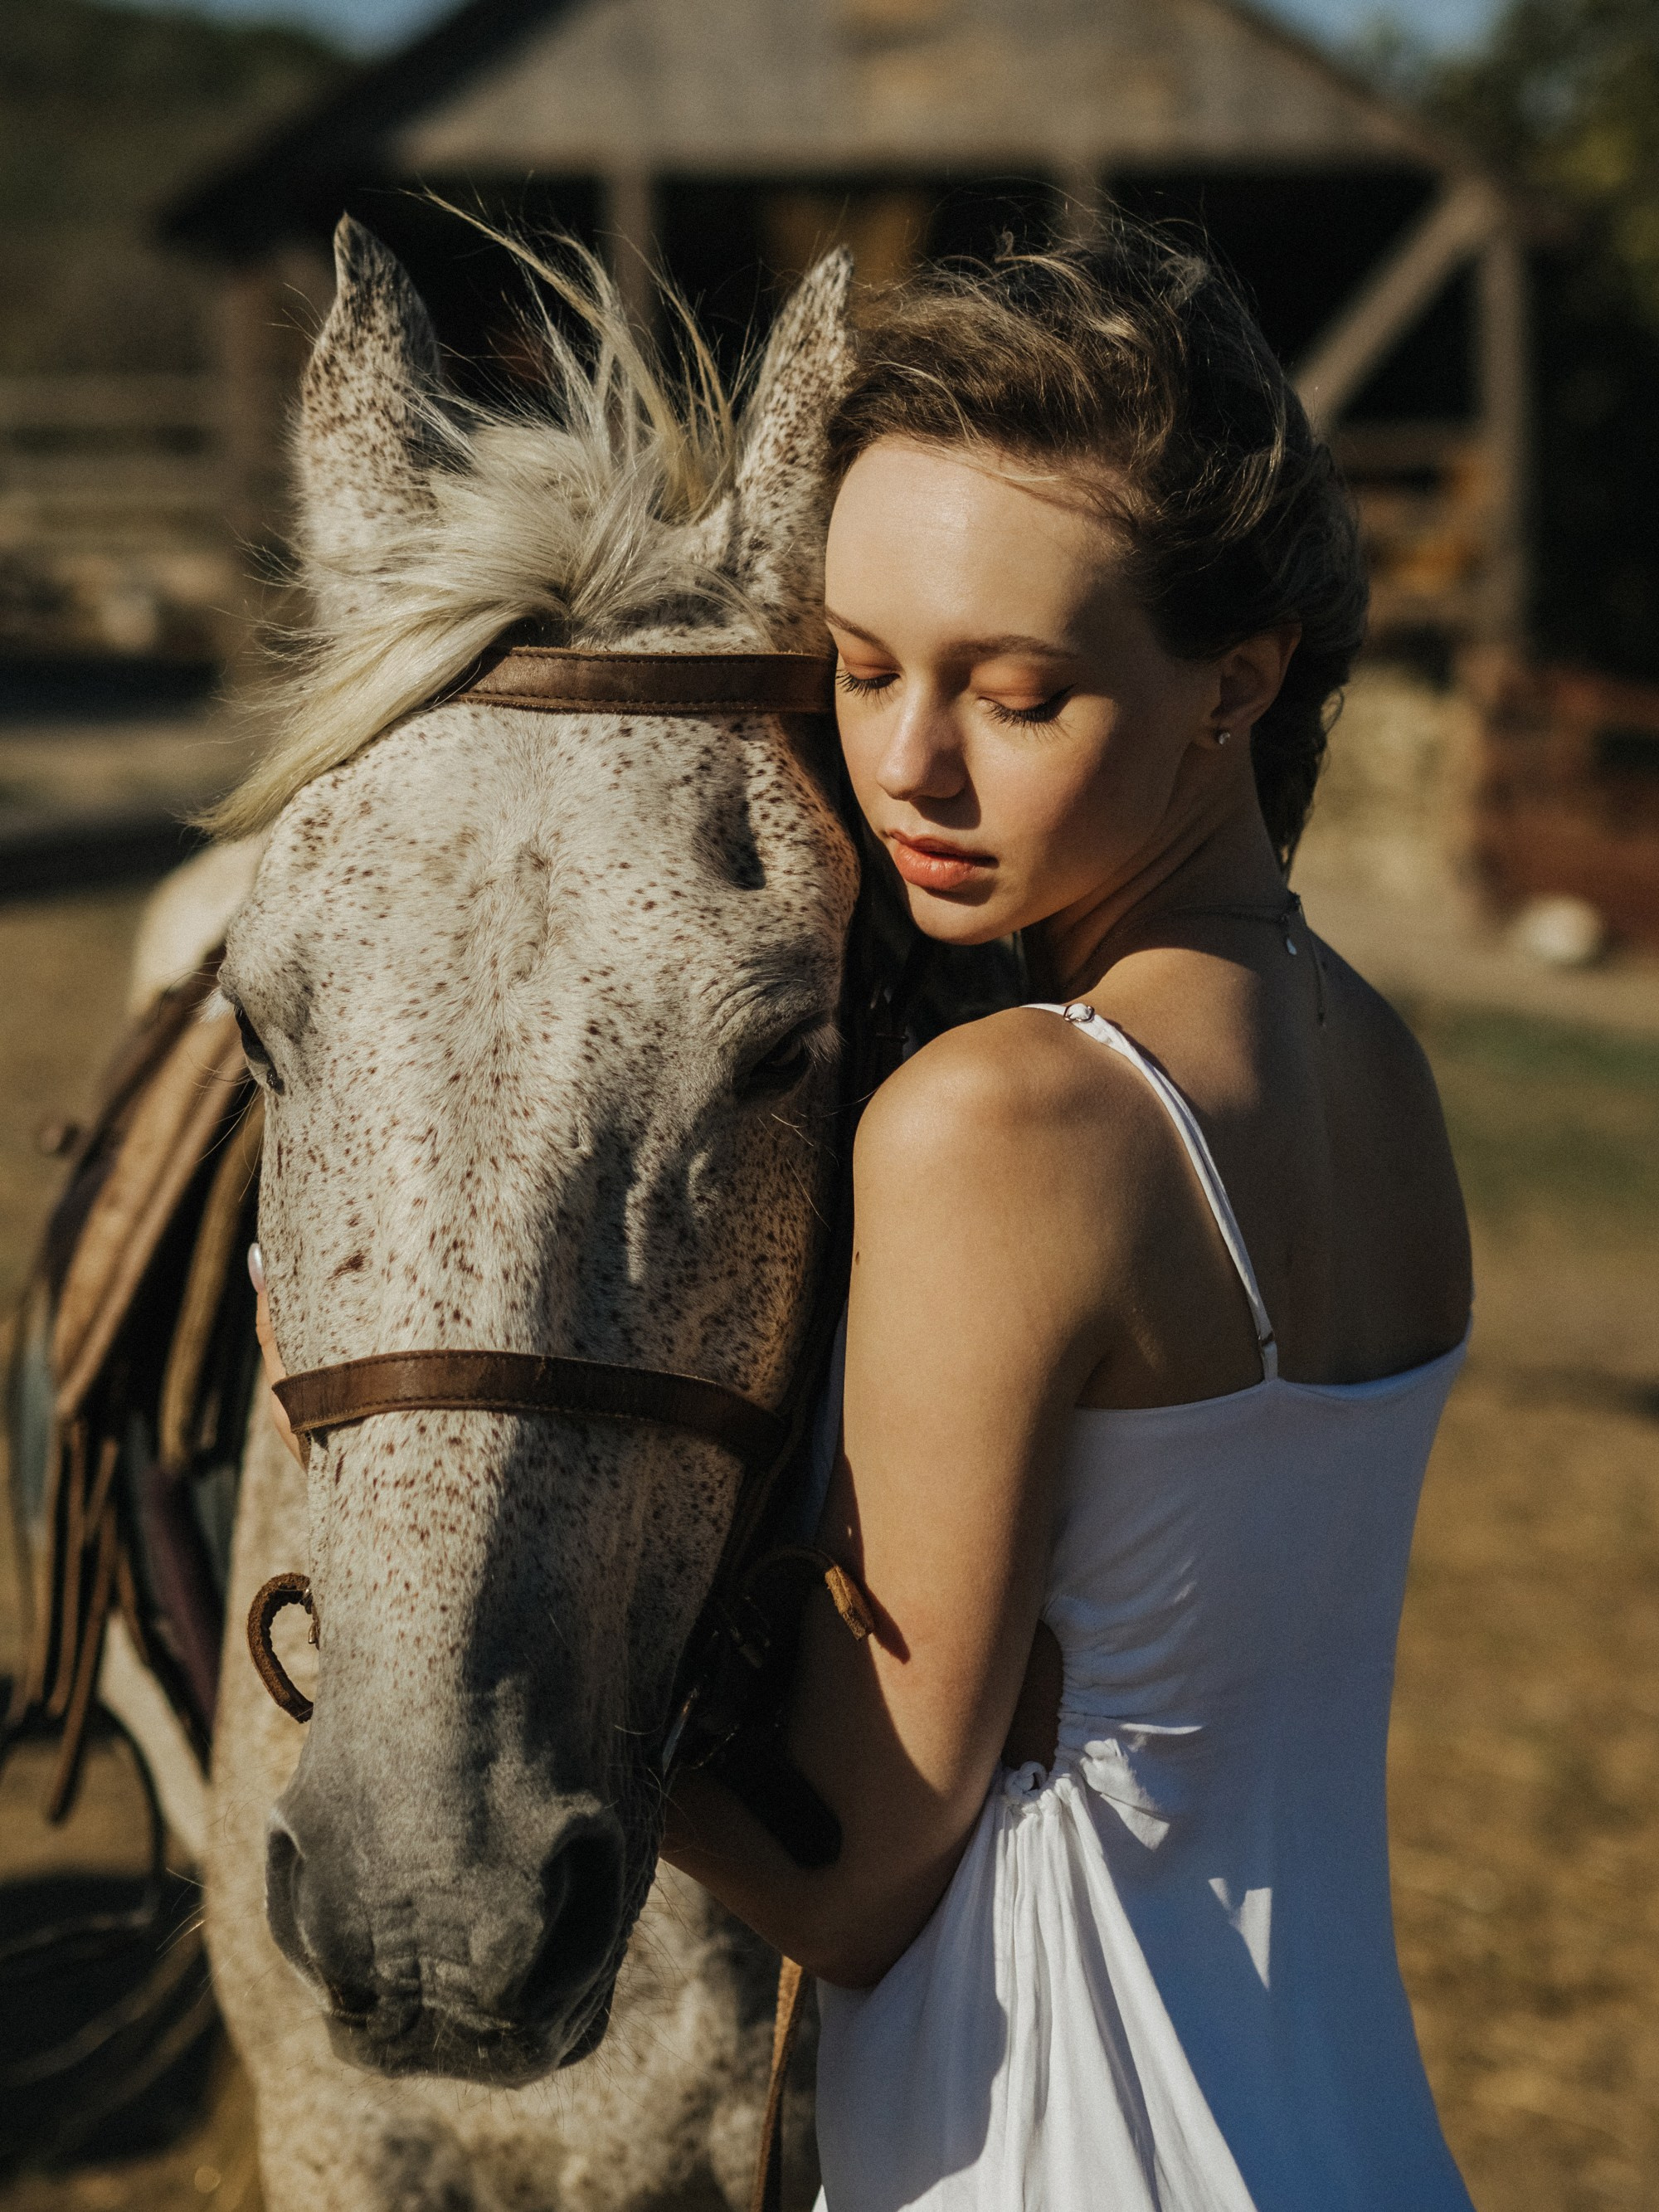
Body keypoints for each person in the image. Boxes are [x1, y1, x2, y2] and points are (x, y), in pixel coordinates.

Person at [662, 228, 1476, 2210]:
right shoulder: (1373, 1064)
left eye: (1014, 695)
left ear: (1238, 686)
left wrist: (536, 1695)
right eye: (862, 669)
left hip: (1052, 2138)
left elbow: (851, 1883)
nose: (906, 763)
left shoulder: (1003, 1121)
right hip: (1351, 2131)